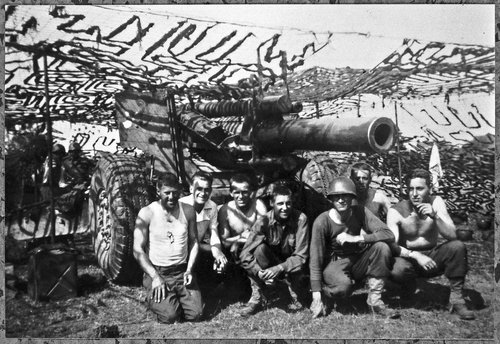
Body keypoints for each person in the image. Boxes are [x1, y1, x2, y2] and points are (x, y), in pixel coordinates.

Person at [388, 168, 475, 320]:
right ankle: (407, 286)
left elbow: (453, 235)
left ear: (429, 189)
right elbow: (392, 246)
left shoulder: (436, 202)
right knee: (397, 268)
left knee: (457, 247)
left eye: (420, 188)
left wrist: (435, 217)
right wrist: (416, 256)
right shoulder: (396, 211)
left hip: (433, 257)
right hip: (408, 258)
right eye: (411, 189)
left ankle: (456, 300)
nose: (414, 194)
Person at [309, 176, 399, 319]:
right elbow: (315, 258)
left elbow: (388, 234)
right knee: (342, 288)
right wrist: (316, 295)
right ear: (331, 199)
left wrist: (358, 238)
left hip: (357, 259)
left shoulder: (360, 212)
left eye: (345, 196)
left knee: (382, 247)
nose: (341, 200)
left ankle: (375, 301)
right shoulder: (322, 221)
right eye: (336, 196)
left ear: (352, 198)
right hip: (335, 263)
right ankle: (327, 293)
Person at [133, 173, 203, 324]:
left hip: (181, 271)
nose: (172, 197)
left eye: (175, 193)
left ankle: (175, 297)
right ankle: (153, 295)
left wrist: (190, 269)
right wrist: (155, 277)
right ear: (158, 191)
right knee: (170, 317)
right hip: (159, 272)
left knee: (196, 314)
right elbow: (137, 249)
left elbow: (194, 242)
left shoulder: (189, 211)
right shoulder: (147, 213)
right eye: (167, 193)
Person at [239, 184, 310, 315]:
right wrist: (259, 272)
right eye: (280, 204)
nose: (285, 208)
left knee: (302, 292)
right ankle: (258, 296)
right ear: (272, 203)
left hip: (292, 267)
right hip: (270, 264)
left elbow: (301, 256)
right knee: (258, 249)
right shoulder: (263, 221)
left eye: (288, 203)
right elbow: (245, 253)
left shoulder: (301, 219)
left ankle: (290, 289)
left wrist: (279, 269)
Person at [218, 173, 268, 315]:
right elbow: (225, 241)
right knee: (235, 292)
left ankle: (258, 295)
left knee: (261, 248)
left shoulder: (258, 206)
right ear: (231, 192)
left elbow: (263, 235)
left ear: (251, 192)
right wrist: (240, 238)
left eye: (244, 192)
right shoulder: (225, 210)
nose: (241, 196)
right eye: (237, 192)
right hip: (235, 257)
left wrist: (243, 241)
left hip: (255, 252)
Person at [179, 171, 228, 298]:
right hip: (180, 251)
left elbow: (214, 232)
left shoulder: (212, 206)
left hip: (197, 247)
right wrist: (211, 249)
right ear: (191, 188)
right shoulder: (180, 205)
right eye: (199, 189)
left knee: (222, 258)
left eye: (207, 189)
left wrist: (217, 252)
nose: (203, 193)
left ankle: (206, 290)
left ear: (211, 191)